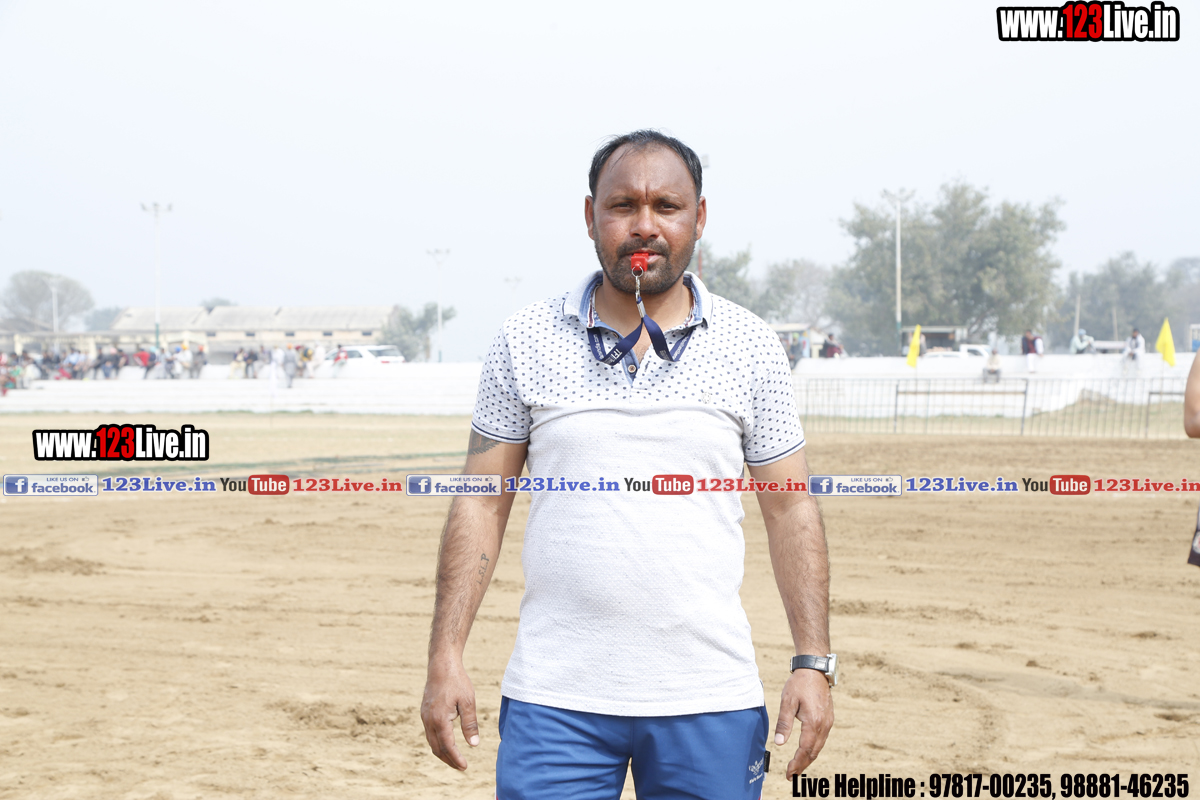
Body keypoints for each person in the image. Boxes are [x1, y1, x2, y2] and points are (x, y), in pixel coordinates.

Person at [420, 130, 834, 796]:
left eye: (667, 206)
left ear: (699, 217)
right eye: (623, 206)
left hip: (710, 698)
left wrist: (813, 662)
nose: (645, 225)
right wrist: (445, 655)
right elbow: (480, 501)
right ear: (590, 217)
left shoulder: (752, 346)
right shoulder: (524, 340)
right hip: (555, 699)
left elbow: (790, 508)